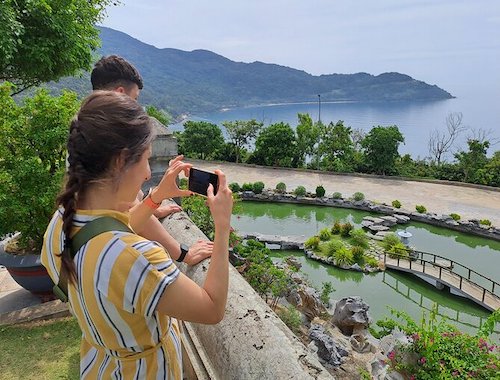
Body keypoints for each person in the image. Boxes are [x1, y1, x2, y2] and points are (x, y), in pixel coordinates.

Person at [41, 91, 233, 379]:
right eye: (145, 160)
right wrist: (221, 227)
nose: (147, 173)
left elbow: (112, 232)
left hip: (100, 364)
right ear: (120, 161)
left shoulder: (60, 224)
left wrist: (157, 197)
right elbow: (212, 308)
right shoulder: (136, 258)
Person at [90, 55, 212, 265]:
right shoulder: (111, 143)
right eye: (135, 99)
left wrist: (151, 208)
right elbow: (129, 221)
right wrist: (184, 254)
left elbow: (126, 206)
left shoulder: (89, 130)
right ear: (120, 93)